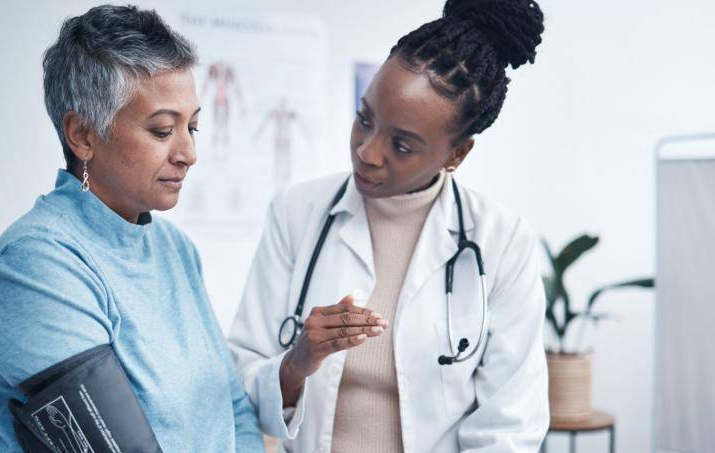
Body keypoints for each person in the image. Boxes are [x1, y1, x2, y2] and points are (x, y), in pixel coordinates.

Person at [228, 0, 549, 451]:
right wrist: (297, 363)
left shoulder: (501, 242)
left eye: (401, 145)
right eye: (365, 119)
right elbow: (240, 379)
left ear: (457, 154)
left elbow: (509, 426)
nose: (367, 152)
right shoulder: (297, 213)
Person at [0, 5, 263, 452]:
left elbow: (231, 408)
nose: (188, 153)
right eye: (163, 131)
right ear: (83, 135)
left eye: (193, 127)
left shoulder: (174, 248)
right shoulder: (35, 264)